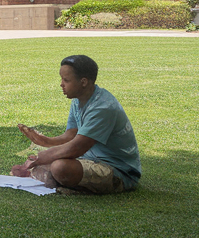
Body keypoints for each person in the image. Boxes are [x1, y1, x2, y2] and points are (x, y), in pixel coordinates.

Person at [14, 54, 141, 194]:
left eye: (66, 80)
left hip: (118, 171)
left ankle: (65, 185)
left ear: (84, 82)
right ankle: (58, 181)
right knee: (46, 164)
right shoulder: (78, 99)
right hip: (88, 159)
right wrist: (45, 141)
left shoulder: (103, 107)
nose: (61, 84)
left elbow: (76, 147)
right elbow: (71, 134)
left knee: (59, 167)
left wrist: (42, 157)